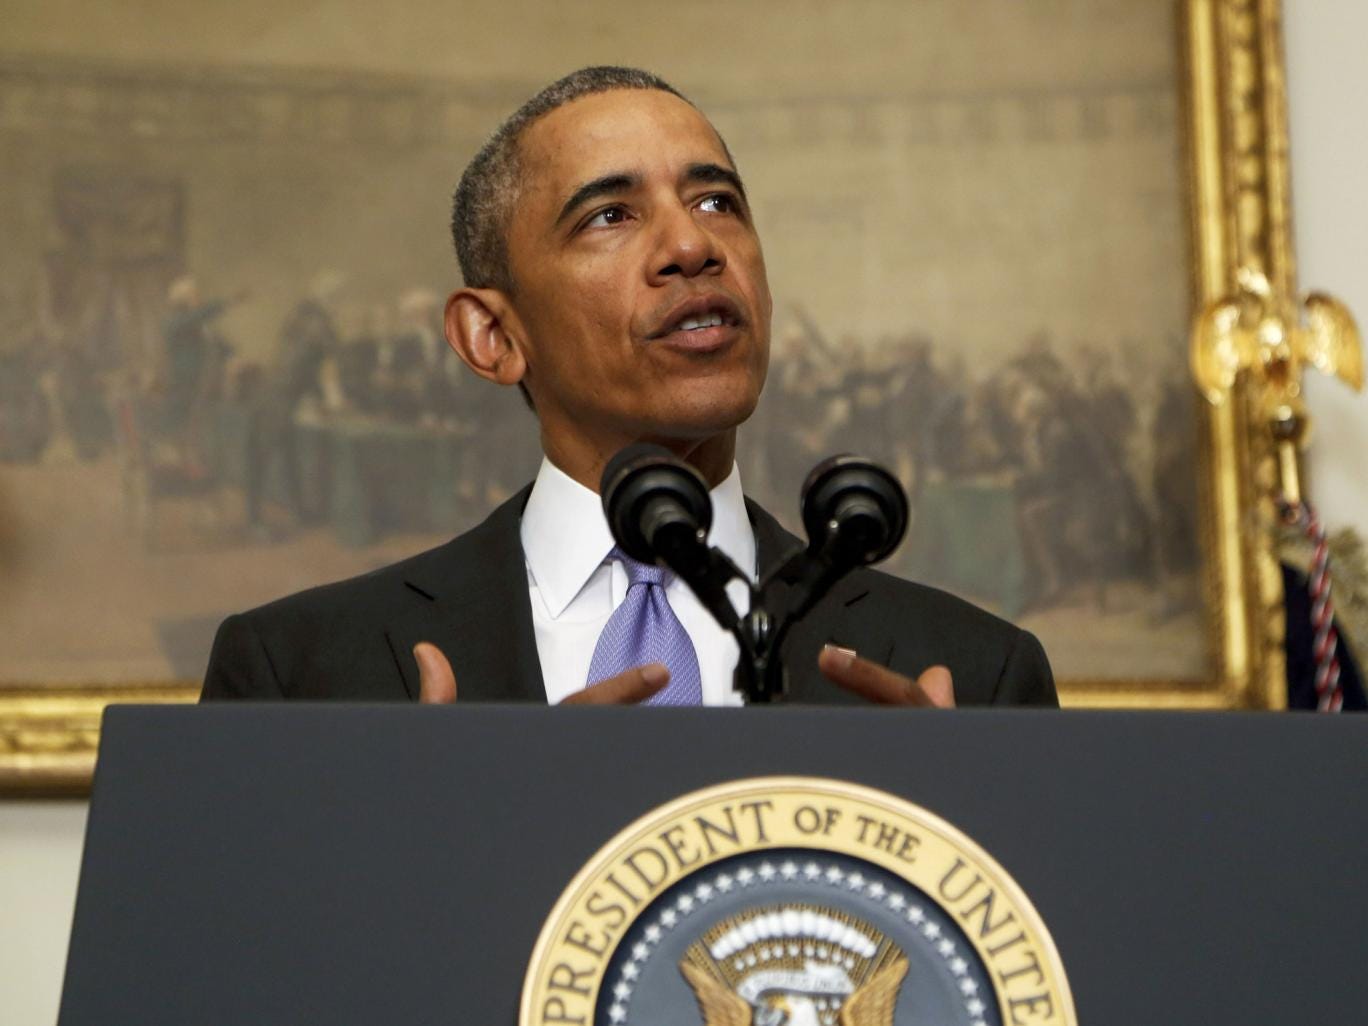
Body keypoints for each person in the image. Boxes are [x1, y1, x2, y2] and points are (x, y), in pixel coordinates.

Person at [202, 66, 1055, 710]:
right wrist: (440, 842)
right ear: (492, 336)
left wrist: (950, 815)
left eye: (718, 201)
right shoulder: (299, 673)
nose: (692, 246)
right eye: (610, 215)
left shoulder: (973, 678)